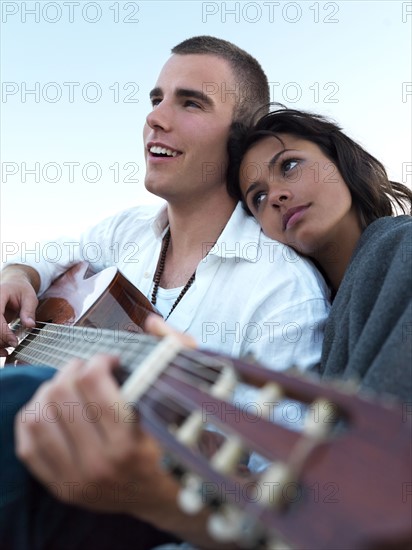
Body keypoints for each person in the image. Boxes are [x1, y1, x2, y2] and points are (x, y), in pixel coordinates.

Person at [0, 40, 330, 549]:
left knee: (19, 399)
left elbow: (280, 495)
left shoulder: (283, 294)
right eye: (157, 98)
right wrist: (17, 275)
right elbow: (55, 253)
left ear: (239, 140)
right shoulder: (131, 229)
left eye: (191, 102)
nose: (156, 117)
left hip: (147, 525)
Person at [227, 104, 412, 402]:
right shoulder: (309, 315)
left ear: (339, 160)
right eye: (258, 197)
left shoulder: (403, 243)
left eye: (288, 166)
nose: (275, 196)